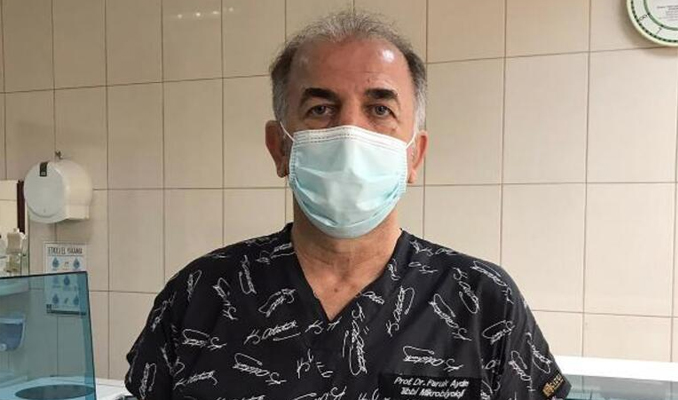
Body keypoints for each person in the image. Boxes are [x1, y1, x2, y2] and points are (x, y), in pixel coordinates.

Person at [125, 10, 571, 400]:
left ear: (414, 156)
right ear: (280, 147)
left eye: (379, 110)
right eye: (321, 109)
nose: (350, 134)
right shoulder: (201, 295)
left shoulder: (482, 301)